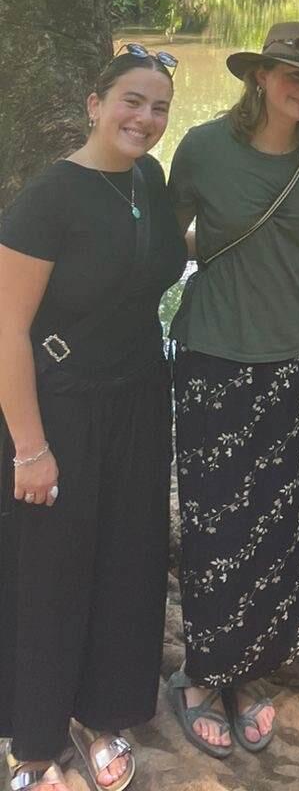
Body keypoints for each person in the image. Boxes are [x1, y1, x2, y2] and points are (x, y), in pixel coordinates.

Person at [167, 23, 299, 758]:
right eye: (294, 76)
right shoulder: (201, 148)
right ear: (261, 76)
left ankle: (248, 671)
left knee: (281, 522)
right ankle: (199, 675)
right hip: (216, 355)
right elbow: (166, 243)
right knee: (217, 524)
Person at [0, 46, 185, 791]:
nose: (145, 118)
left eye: (160, 107)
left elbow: (150, 261)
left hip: (139, 397)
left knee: (128, 561)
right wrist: (29, 448)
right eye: (132, 101)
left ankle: (104, 710)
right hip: (63, 406)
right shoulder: (49, 197)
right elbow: (8, 327)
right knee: (54, 571)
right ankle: (34, 741)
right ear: (94, 104)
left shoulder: (148, 180)